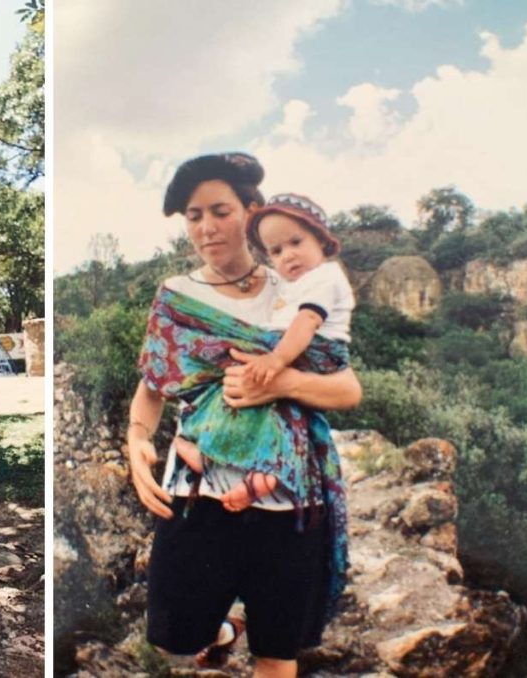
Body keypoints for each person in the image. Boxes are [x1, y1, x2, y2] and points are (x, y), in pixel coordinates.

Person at [127, 153, 362, 678]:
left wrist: (282, 382)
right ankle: (225, 627)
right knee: (173, 635)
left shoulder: (297, 285)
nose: (207, 227)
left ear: (251, 212)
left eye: (220, 210)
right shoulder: (176, 297)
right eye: (193, 215)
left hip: (289, 497)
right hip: (198, 490)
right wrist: (137, 441)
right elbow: (152, 389)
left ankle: (250, 628)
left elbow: (347, 388)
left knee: (277, 652)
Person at [172, 192, 355, 504]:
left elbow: (308, 321)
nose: (288, 256)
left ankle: (202, 443)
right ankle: (258, 478)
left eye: (296, 242)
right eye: (277, 251)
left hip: (312, 353)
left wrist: (275, 360)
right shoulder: (292, 284)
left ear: (322, 241)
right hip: (294, 352)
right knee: (275, 414)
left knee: (238, 390)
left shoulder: (324, 277)